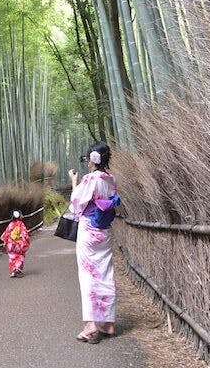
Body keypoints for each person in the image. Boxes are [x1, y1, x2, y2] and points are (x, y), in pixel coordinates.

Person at [68, 141, 119, 344]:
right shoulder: (111, 179)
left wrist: (74, 181)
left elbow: (76, 202)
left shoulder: (90, 178)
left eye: (88, 157)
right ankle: (108, 323)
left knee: (88, 275)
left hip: (89, 230)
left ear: (93, 159)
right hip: (104, 231)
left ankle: (91, 325)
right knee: (105, 272)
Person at [0, 210, 30, 278]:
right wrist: (26, 241)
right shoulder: (21, 224)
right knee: (20, 256)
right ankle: (17, 269)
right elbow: (24, 233)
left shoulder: (10, 224)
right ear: (19, 216)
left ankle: (13, 272)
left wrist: (5, 241)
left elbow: (6, 233)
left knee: (12, 257)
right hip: (18, 243)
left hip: (10, 244)